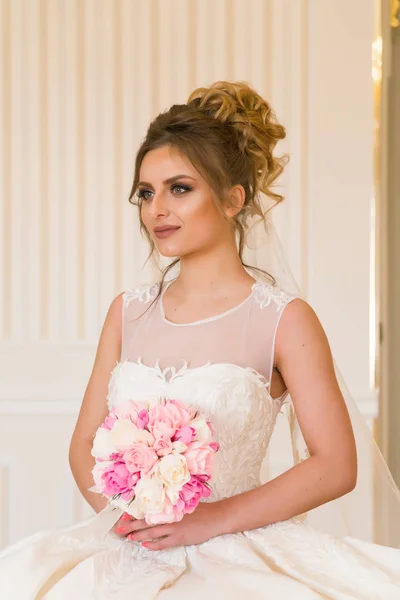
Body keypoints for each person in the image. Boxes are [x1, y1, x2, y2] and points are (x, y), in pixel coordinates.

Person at [1, 81, 400, 599]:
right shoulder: (128, 312)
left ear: (234, 199)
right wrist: (125, 520)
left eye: (180, 188)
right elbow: (83, 444)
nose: (156, 209)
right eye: (146, 192)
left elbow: (335, 464)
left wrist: (209, 520)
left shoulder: (285, 319)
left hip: (235, 548)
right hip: (129, 547)